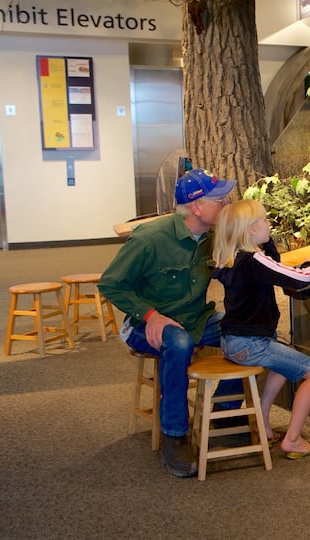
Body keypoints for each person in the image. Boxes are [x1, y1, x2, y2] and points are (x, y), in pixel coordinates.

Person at [99, 168, 244, 478]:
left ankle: (226, 413)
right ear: (196, 207)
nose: (226, 204)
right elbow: (110, 284)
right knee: (178, 343)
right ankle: (174, 436)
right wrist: (150, 315)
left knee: (245, 329)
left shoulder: (214, 234)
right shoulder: (150, 238)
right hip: (145, 325)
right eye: (220, 199)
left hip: (196, 319)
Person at [212, 199, 310, 459]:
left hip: (233, 341)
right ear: (251, 230)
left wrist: (268, 240)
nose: (269, 224)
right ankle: (293, 440)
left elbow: (272, 263)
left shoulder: (233, 257)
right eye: (264, 220)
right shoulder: (253, 261)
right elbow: (301, 278)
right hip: (251, 343)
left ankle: (262, 422)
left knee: (285, 359)